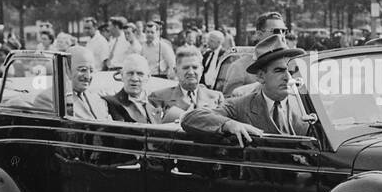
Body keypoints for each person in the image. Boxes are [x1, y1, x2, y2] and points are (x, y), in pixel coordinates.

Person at [183, 33, 313, 144]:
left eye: (290, 70)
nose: (287, 77)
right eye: (279, 70)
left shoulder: (305, 105)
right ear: (261, 77)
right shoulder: (241, 105)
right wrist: (230, 124)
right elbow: (191, 117)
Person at [149, 45, 226, 121]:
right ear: (176, 71)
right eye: (186, 68)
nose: (191, 72)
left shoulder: (216, 97)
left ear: (202, 70)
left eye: (195, 67)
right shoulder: (159, 97)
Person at [106, 53, 163, 123]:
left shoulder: (156, 104)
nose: (134, 79)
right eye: (130, 73)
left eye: (140, 74)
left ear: (148, 77)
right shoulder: (111, 103)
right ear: (122, 75)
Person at [68, 46, 115, 121]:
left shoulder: (100, 101)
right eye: (83, 70)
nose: (88, 76)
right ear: (67, 70)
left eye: (91, 71)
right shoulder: (54, 102)